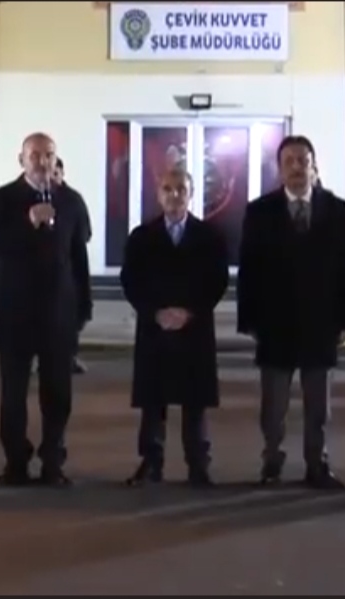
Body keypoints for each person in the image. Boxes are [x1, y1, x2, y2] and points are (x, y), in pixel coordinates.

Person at [237, 135, 345, 489]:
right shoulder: (259, 211)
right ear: (279, 168)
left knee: (318, 406)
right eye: (288, 161)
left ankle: (317, 464)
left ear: (313, 165)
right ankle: (271, 462)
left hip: (321, 322)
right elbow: (248, 269)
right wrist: (248, 319)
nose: (296, 168)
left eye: (303, 160)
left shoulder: (336, 209)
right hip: (274, 323)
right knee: (273, 406)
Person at [0, 132, 92, 486]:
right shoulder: (2, 199)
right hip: (15, 313)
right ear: (21, 160)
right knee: (13, 394)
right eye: (35, 155)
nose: (42, 162)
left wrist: (83, 308)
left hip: (58, 313)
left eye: (49, 155)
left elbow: (79, 256)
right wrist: (27, 223)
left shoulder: (71, 200)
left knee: (58, 394)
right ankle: (16, 461)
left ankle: (53, 461)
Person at [119, 167, 229, 487]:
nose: (174, 195)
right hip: (155, 328)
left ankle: (198, 465)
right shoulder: (142, 237)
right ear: (158, 194)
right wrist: (155, 312)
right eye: (168, 189)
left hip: (194, 328)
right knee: (153, 400)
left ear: (191, 194)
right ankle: (151, 463)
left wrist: (189, 311)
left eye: (181, 189)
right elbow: (131, 280)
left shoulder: (209, 236)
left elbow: (218, 280)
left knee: (195, 401)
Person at [51, 157, 92, 375]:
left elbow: (85, 232)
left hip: (71, 265)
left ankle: (70, 357)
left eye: (55, 174)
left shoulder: (73, 200)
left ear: (62, 174)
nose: (51, 178)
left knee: (71, 315)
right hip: (43, 272)